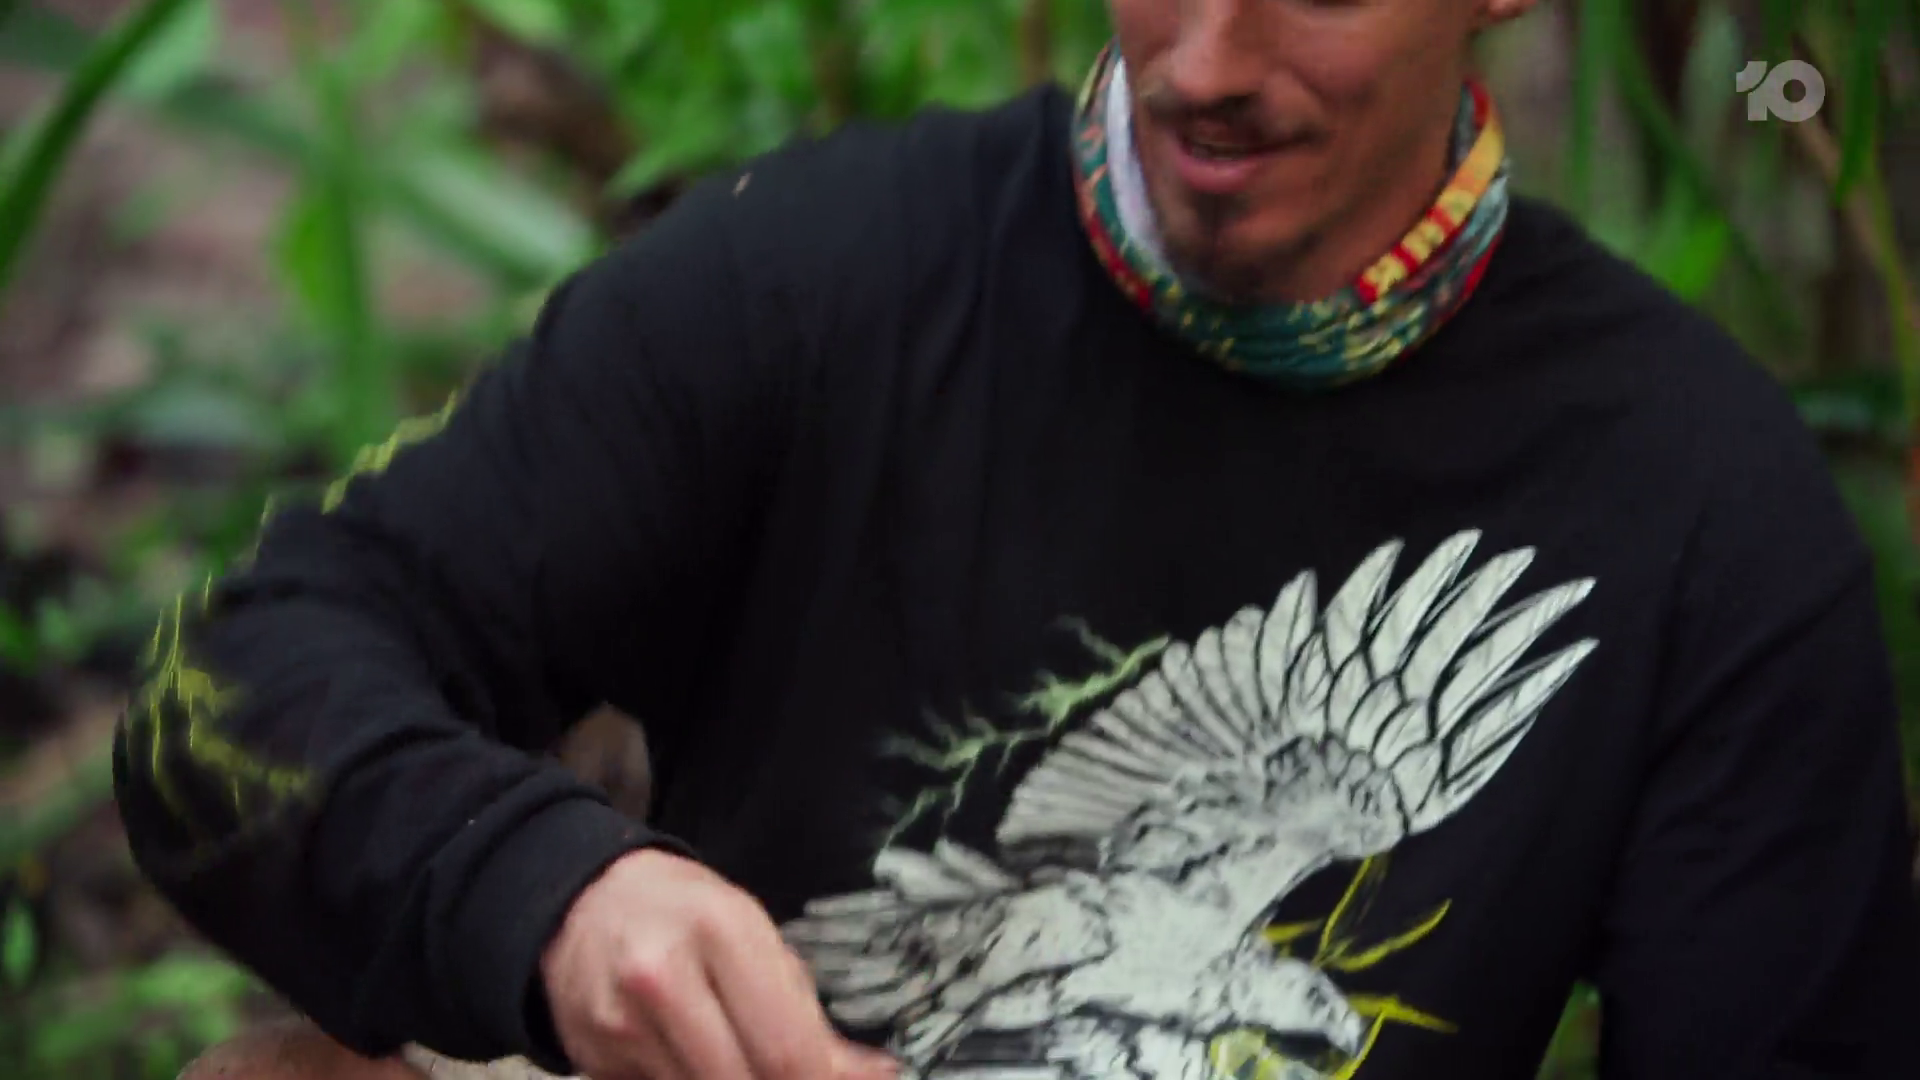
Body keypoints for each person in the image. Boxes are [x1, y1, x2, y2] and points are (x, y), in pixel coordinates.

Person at [115, 0, 1920, 1077]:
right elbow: (235, 679)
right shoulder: (821, 280)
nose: (1205, 61)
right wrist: (553, 897)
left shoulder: (1699, 508)